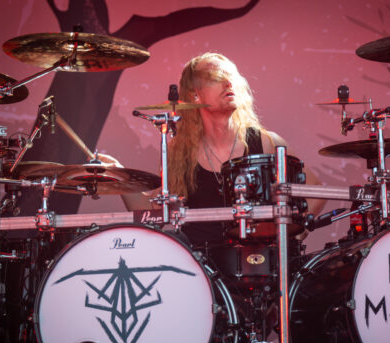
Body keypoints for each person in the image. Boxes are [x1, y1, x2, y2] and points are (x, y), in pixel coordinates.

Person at [102, 52, 325, 246]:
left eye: (231, 76)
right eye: (216, 77)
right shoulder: (179, 151)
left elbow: (316, 191)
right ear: (195, 95)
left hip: (256, 264)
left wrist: (294, 236)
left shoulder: (267, 142)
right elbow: (154, 213)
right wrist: (120, 178)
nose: (228, 82)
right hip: (202, 267)